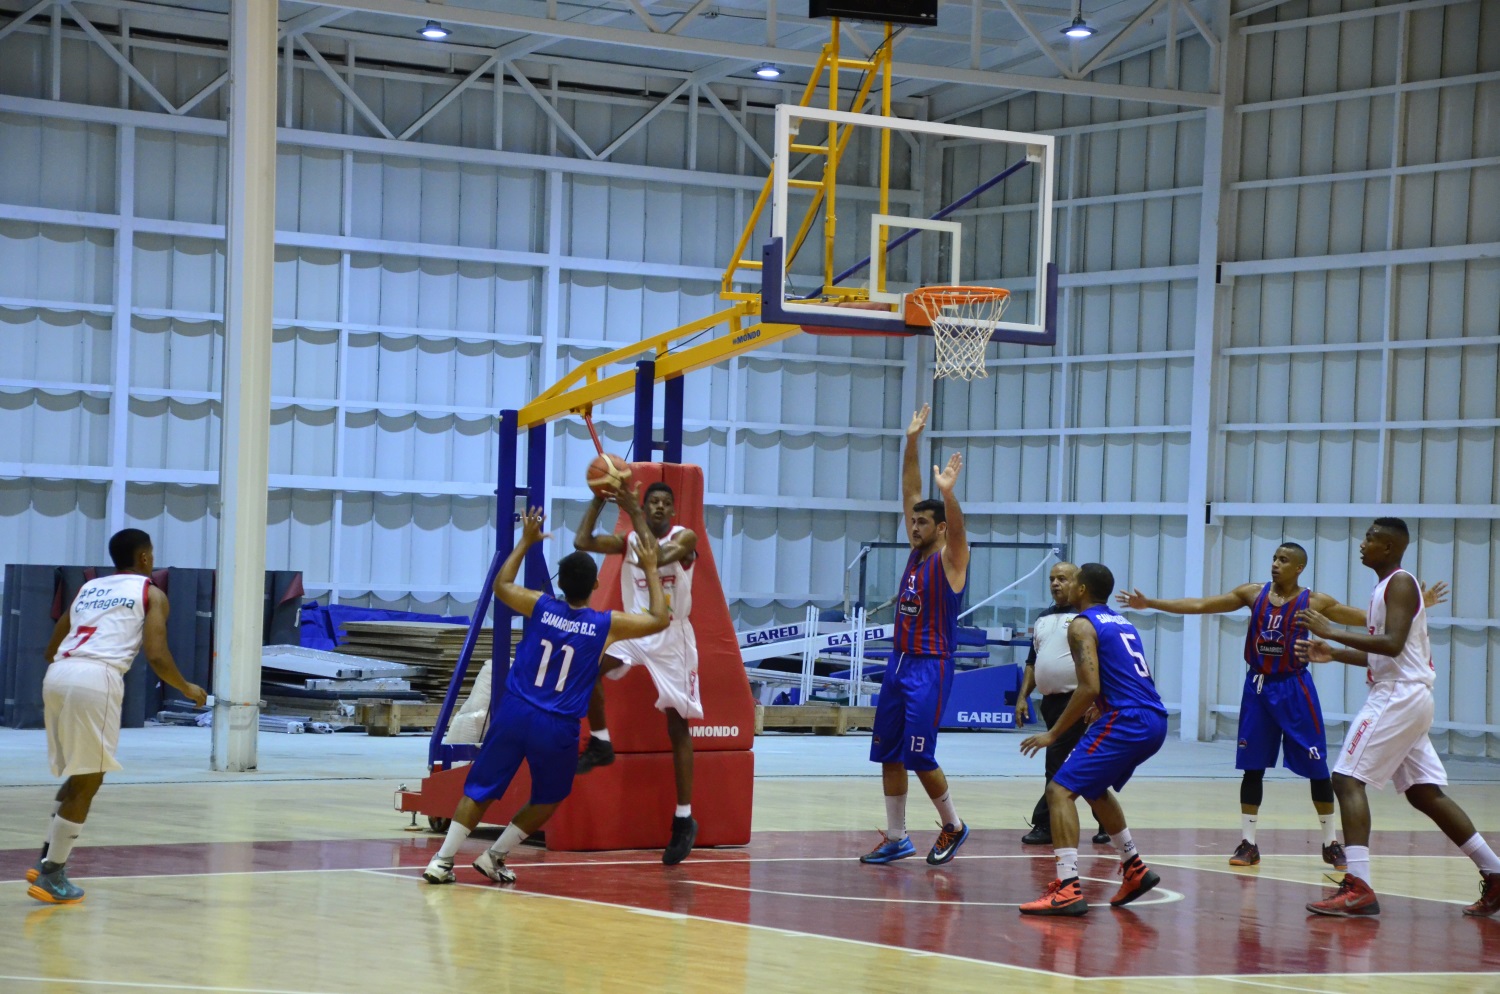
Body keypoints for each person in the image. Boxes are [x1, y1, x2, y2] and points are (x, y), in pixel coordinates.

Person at [1118, 546, 1447, 869]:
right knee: (1252, 767)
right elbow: (1203, 604)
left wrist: (1420, 605)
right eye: (1274, 558)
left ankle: (1330, 842)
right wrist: (1151, 603)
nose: (1275, 564)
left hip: (1295, 687)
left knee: (1318, 769)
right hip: (1259, 686)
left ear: (1299, 567)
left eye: (1283, 560)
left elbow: (1369, 619)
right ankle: (1248, 842)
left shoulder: (1315, 601)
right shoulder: (1252, 593)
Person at [423, 502, 669, 886]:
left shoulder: (540, 606)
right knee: (549, 796)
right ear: (595, 586)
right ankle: (495, 854)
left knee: (481, 787)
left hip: (516, 710)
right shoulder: (606, 625)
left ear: (562, 583)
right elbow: (658, 619)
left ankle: (442, 860)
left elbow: (501, 586)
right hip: (556, 725)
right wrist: (652, 567)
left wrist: (525, 542)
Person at [1297, 517, 1500, 917]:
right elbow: (1383, 654)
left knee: (1345, 778)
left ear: (1389, 547)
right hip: (1407, 695)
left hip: (1398, 697)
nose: (1363, 543)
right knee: (1424, 792)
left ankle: (1359, 886)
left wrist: (1333, 631)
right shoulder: (1384, 588)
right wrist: (1334, 653)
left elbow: (1391, 645)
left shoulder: (1401, 583)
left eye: (1371, 537)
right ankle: (1495, 871)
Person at [27, 529, 208, 904]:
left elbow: (51, 648)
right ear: (145, 557)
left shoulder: (87, 589)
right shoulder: (151, 593)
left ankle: (48, 858)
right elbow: (156, 654)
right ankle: (52, 875)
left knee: (79, 774)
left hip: (59, 674)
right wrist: (187, 687)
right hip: (97, 677)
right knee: (89, 780)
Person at [1019, 563, 1167, 916]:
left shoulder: (1081, 624)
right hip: (1151, 717)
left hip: (1127, 719)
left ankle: (1067, 887)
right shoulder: (1122, 622)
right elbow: (1125, 673)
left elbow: (1089, 686)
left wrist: (1054, 733)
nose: (1063, 587)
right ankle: (1134, 868)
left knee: (1058, 790)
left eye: (1070, 582)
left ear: (1081, 589)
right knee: (1093, 788)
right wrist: (1102, 706)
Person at [859, 403, 971, 867]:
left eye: (923, 522)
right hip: (899, 663)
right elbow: (910, 490)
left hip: (931, 666)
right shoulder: (916, 552)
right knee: (888, 754)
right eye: (913, 520)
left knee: (921, 757)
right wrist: (911, 442)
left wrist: (948, 496)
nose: (914, 525)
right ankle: (899, 836)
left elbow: (957, 531)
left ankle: (953, 824)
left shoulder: (952, 559)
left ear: (940, 527)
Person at [573, 478, 702, 865]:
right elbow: (582, 541)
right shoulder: (629, 538)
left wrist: (631, 509)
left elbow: (655, 557)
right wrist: (598, 500)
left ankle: (683, 819)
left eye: (666, 502)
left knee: (677, 724)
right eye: (653, 503)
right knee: (586, 667)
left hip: (671, 634)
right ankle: (601, 742)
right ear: (645, 509)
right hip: (636, 627)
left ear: (673, 512)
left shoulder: (686, 537)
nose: (660, 507)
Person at [1017, 561, 1110, 848]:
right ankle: (1106, 820)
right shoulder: (1044, 618)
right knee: (1079, 763)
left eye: (1063, 579)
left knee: (1056, 761)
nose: (1055, 584)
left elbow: (1099, 662)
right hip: (1051, 702)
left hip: (1079, 701)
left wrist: (1099, 700)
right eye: (1052, 579)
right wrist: (1023, 696)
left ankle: (1045, 823)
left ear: (1079, 584)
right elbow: (1034, 662)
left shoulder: (1085, 618)